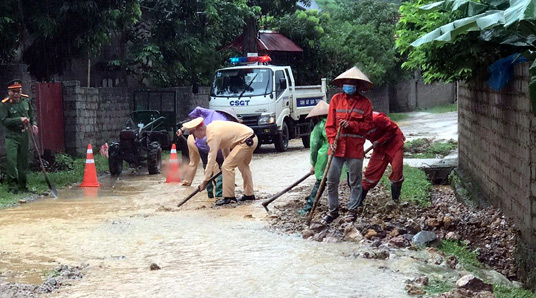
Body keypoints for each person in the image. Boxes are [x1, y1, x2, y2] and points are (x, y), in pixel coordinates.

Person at [322, 66, 374, 224]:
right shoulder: (335, 100)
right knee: (331, 181)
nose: (348, 85)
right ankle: (333, 211)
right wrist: (331, 141)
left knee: (355, 181)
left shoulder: (365, 104)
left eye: (352, 83)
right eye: (346, 83)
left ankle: (353, 210)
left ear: (358, 86)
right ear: (342, 84)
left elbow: (368, 126)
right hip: (336, 148)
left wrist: (351, 125)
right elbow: (329, 125)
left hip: (355, 148)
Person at [181, 117, 258, 206]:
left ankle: (229, 197)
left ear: (200, 129)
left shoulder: (212, 135)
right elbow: (225, 145)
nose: (194, 136)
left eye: (193, 133)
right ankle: (249, 194)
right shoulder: (212, 127)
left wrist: (205, 181)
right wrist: (226, 159)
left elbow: (211, 159)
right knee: (242, 165)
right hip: (251, 138)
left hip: (246, 141)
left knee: (227, 166)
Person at [178, 107, 239, 201]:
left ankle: (209, 193)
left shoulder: (210, 113)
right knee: (223, 167)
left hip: (196, 141)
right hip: (215, 142)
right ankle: (220, 193)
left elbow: (197, 110)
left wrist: (183, 128)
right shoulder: (228, 122)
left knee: (202, 165)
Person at [0, 79, 39, 194]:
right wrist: (19, 119)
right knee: (12, 161)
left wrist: (34, 124)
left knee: (23, 161)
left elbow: (31, 114)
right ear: (9, 92)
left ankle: (23, 186)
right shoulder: (4, 104)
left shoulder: (25, 100)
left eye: (18, 91)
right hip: (11, 136)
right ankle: (13, 187)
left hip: (24, 135)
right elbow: (4, 121)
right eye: (14, 92)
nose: (16, 94)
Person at [359, 111, 405, 205]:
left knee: (397, 170)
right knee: (370, 175)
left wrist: (380, 140)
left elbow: (393, 128)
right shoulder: (357, 126)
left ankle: (395, 200)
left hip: (394, 144)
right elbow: (357, 140)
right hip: (379, 149)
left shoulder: (377, 118)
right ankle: (358, 202)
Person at [299, 100, 329, 215]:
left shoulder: (319, 126)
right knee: (334, 182)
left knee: (320, 181)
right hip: (341, 154)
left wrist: (313, 164)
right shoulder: (336, 122)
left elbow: (314, 146)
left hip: (325, 154)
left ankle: (308, 208)